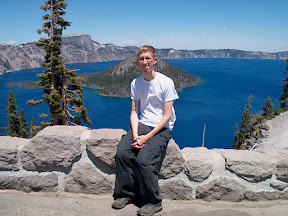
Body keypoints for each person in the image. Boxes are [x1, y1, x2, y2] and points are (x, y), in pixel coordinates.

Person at [112, 45, 179, 216]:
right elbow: (134, 111)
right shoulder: (136, 83)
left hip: (161, 127)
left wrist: (146, 137)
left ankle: (154, 201)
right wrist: (135, 135)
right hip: (142, 124)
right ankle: (125, 195)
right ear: (137, 61)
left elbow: (167, 116)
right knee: (122, 154)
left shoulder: (166, 82)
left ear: (155, 60)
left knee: (144, 162)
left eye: (148, 58)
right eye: (141, 59)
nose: (145, 62)